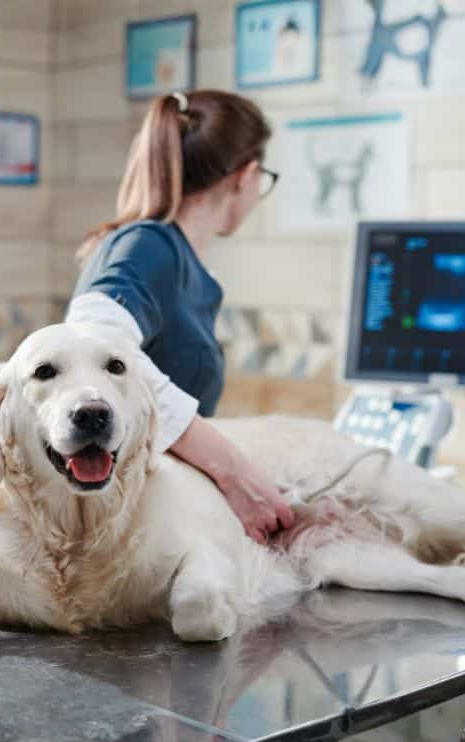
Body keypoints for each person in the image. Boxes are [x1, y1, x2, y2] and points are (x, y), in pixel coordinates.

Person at [66, 89, 294, 544]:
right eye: (263, 178)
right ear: (246, 175)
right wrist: (233, 471)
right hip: (130, 531)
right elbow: (88, 346)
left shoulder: (175, 260)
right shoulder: (149, 246)